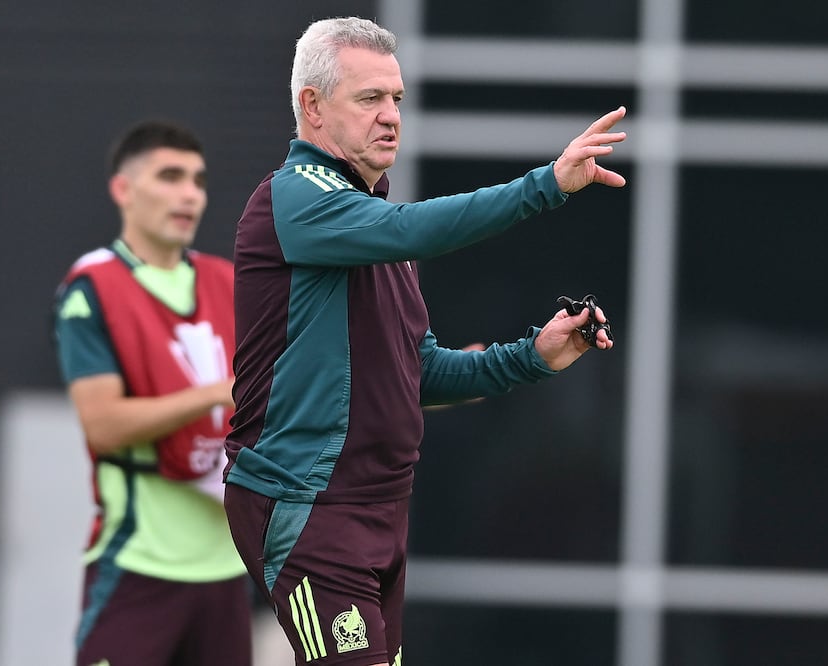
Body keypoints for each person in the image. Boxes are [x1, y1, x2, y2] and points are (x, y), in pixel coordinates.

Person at [222, 16, 625, 666]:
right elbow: (415, 229)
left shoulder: (374, 222)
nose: (390, 117)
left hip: (379, 507)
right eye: (368, 98)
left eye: (396, 100)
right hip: (308, 503)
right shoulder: (295, 198)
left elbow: (419, 374)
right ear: (312, 107)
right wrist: (544, 185)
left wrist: (532, 357)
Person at [53, 119, 252, 666]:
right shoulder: (94, 287)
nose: (189, 193)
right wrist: (219, 392)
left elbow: (315, 383)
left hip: (227, 570)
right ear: (124, 189)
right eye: (170, 176)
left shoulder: (231, 282)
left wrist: (437, 383)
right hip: (138, 566)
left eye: (198, 179)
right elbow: (103, 424)